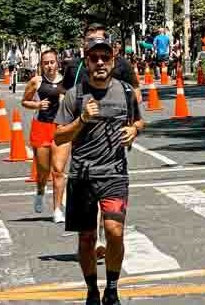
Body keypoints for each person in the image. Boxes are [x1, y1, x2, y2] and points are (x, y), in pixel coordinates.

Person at [55, 36, 144, 305]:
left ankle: (113, 289)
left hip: (114, 174)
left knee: (114, 232)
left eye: (105, 57)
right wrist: (82, 119)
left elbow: (139, 121)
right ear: (87, 62)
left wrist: (134, 130)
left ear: (113, 61)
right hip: (82, 176)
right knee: (87, 238)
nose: (100, 62)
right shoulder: (75, 95)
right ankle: (92, 290)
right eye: (94, 58)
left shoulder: (126, 92)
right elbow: (59, 137)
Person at [22, 48, 70, 222]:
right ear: (41, 65)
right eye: (46, 63)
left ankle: (57, 209)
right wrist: (37, 105)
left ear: (57, 63)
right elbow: (24, 101)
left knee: (58, 171)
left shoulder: (67, 81)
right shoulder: (36, 81)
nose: (50, 66)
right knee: (43, 170)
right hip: (41, 127)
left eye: (52, 62)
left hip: (62, 129)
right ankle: (40, 191)